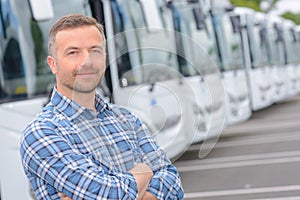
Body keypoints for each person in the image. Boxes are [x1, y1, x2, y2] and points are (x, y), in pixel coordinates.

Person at [20, 13, 184, 200]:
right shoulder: (42, 133)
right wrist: (145, 172)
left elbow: (173, 184)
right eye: (73, 52)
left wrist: (116, 188)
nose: (87, 62)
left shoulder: (127, 119)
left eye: (95, 51)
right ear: (53, 64)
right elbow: (108, 196)